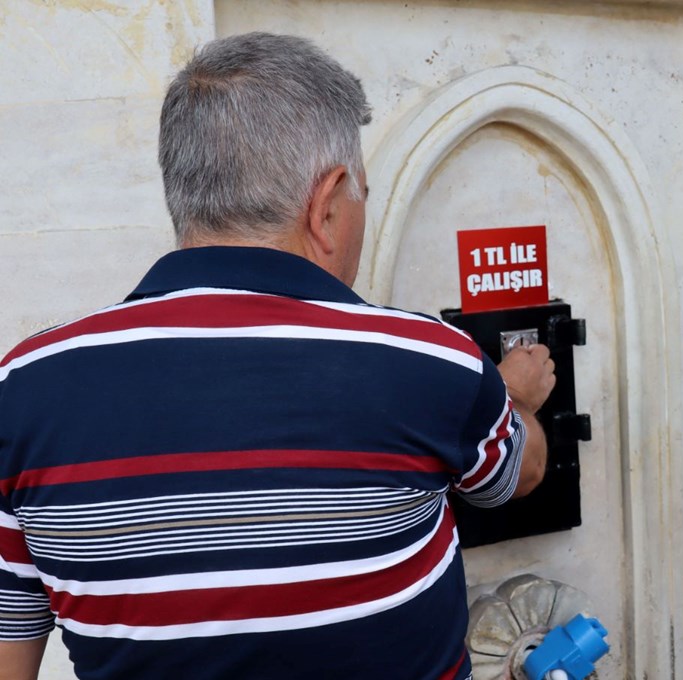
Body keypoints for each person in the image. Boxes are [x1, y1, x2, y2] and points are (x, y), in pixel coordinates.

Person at [0, 33, 555, 680]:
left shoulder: (24, 388)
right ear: (327, 207)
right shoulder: (431, 362)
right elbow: (524, 470)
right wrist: (512, 394)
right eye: (362, 198)